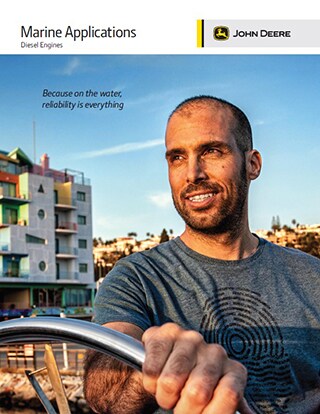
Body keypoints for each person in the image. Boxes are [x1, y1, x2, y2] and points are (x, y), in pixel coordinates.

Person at [84, 96, 320, 414]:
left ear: (252, 164)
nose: (193, 173)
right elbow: (106, 393)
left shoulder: (313, 276)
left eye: (211, 151)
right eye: (177, 157)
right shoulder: (135, 278)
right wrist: (155, 368)